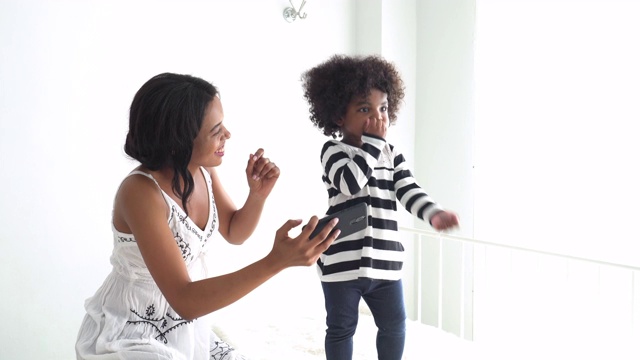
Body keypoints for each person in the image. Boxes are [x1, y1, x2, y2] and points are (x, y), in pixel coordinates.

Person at [75, 72, 339, 360]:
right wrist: (276, 262)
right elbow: (185, 299)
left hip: (185, 327)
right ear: (178, 140)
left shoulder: (202, 170)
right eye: (216, 130)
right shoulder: (140, 193)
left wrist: (257, 194)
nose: (227, 135)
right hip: (132, 332)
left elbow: (235, 232)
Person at [300, 54, 460, 360]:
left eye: (383, 108)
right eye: (364, 109)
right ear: (338, 117)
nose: (377, 117)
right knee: (341, 328)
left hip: (386, 263)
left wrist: (434, 213)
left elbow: (409, 190)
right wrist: (372, 145)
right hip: (341, 266)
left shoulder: (390, 154)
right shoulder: (333, 151)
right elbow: (350, 183)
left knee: (395, 326)